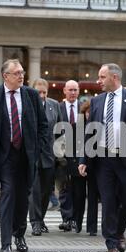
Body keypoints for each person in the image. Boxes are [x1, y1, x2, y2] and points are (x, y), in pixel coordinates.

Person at [78, 63, 126, 252]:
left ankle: (119, 232)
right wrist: (85, 159)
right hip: (104, 159)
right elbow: (91, 132)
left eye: (102, 77)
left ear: (114, 77)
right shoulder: (97, 101)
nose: (98, 81)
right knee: (108, 202)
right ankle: (111, 244)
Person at [0, 59, 49, 252]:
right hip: (5, 156)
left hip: (27, 155)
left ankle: (19, 234)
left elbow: (43, 125)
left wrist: (39, 148)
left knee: (23, 199)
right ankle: (6, 243)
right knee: (8, 195)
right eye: (16, 72)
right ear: (5, 76)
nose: (21, 75)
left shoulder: (31, 95)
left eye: (22, 72)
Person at [27, 78, 62, 236]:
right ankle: (35, 222)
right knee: (34, 190)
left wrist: (60, 153)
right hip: (31, 154)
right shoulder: (27, 105)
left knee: (47, 190)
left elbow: (60, 129)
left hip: (49, 154)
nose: (41, 95)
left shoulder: (54, 105)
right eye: (38, 92)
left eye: (44, 92)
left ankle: (41, 219)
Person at [57, 80, 87, 233]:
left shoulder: (83, 109)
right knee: (64, 189)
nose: (73, 93)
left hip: (79, 155)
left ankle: (76, 220)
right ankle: (67, 218)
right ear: (64, 91)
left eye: (75, 90)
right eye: (70, 90)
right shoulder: (58, 107)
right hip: (62, 154)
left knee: (79, 190)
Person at [80, 100, 100, 236]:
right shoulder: (82, 126)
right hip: (91, 165)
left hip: (104, 163)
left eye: (90, 112)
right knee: (92, 196)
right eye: (87, 112)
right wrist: (83, 162)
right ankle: (91, 227)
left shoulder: (99, 124)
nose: (89, 115)